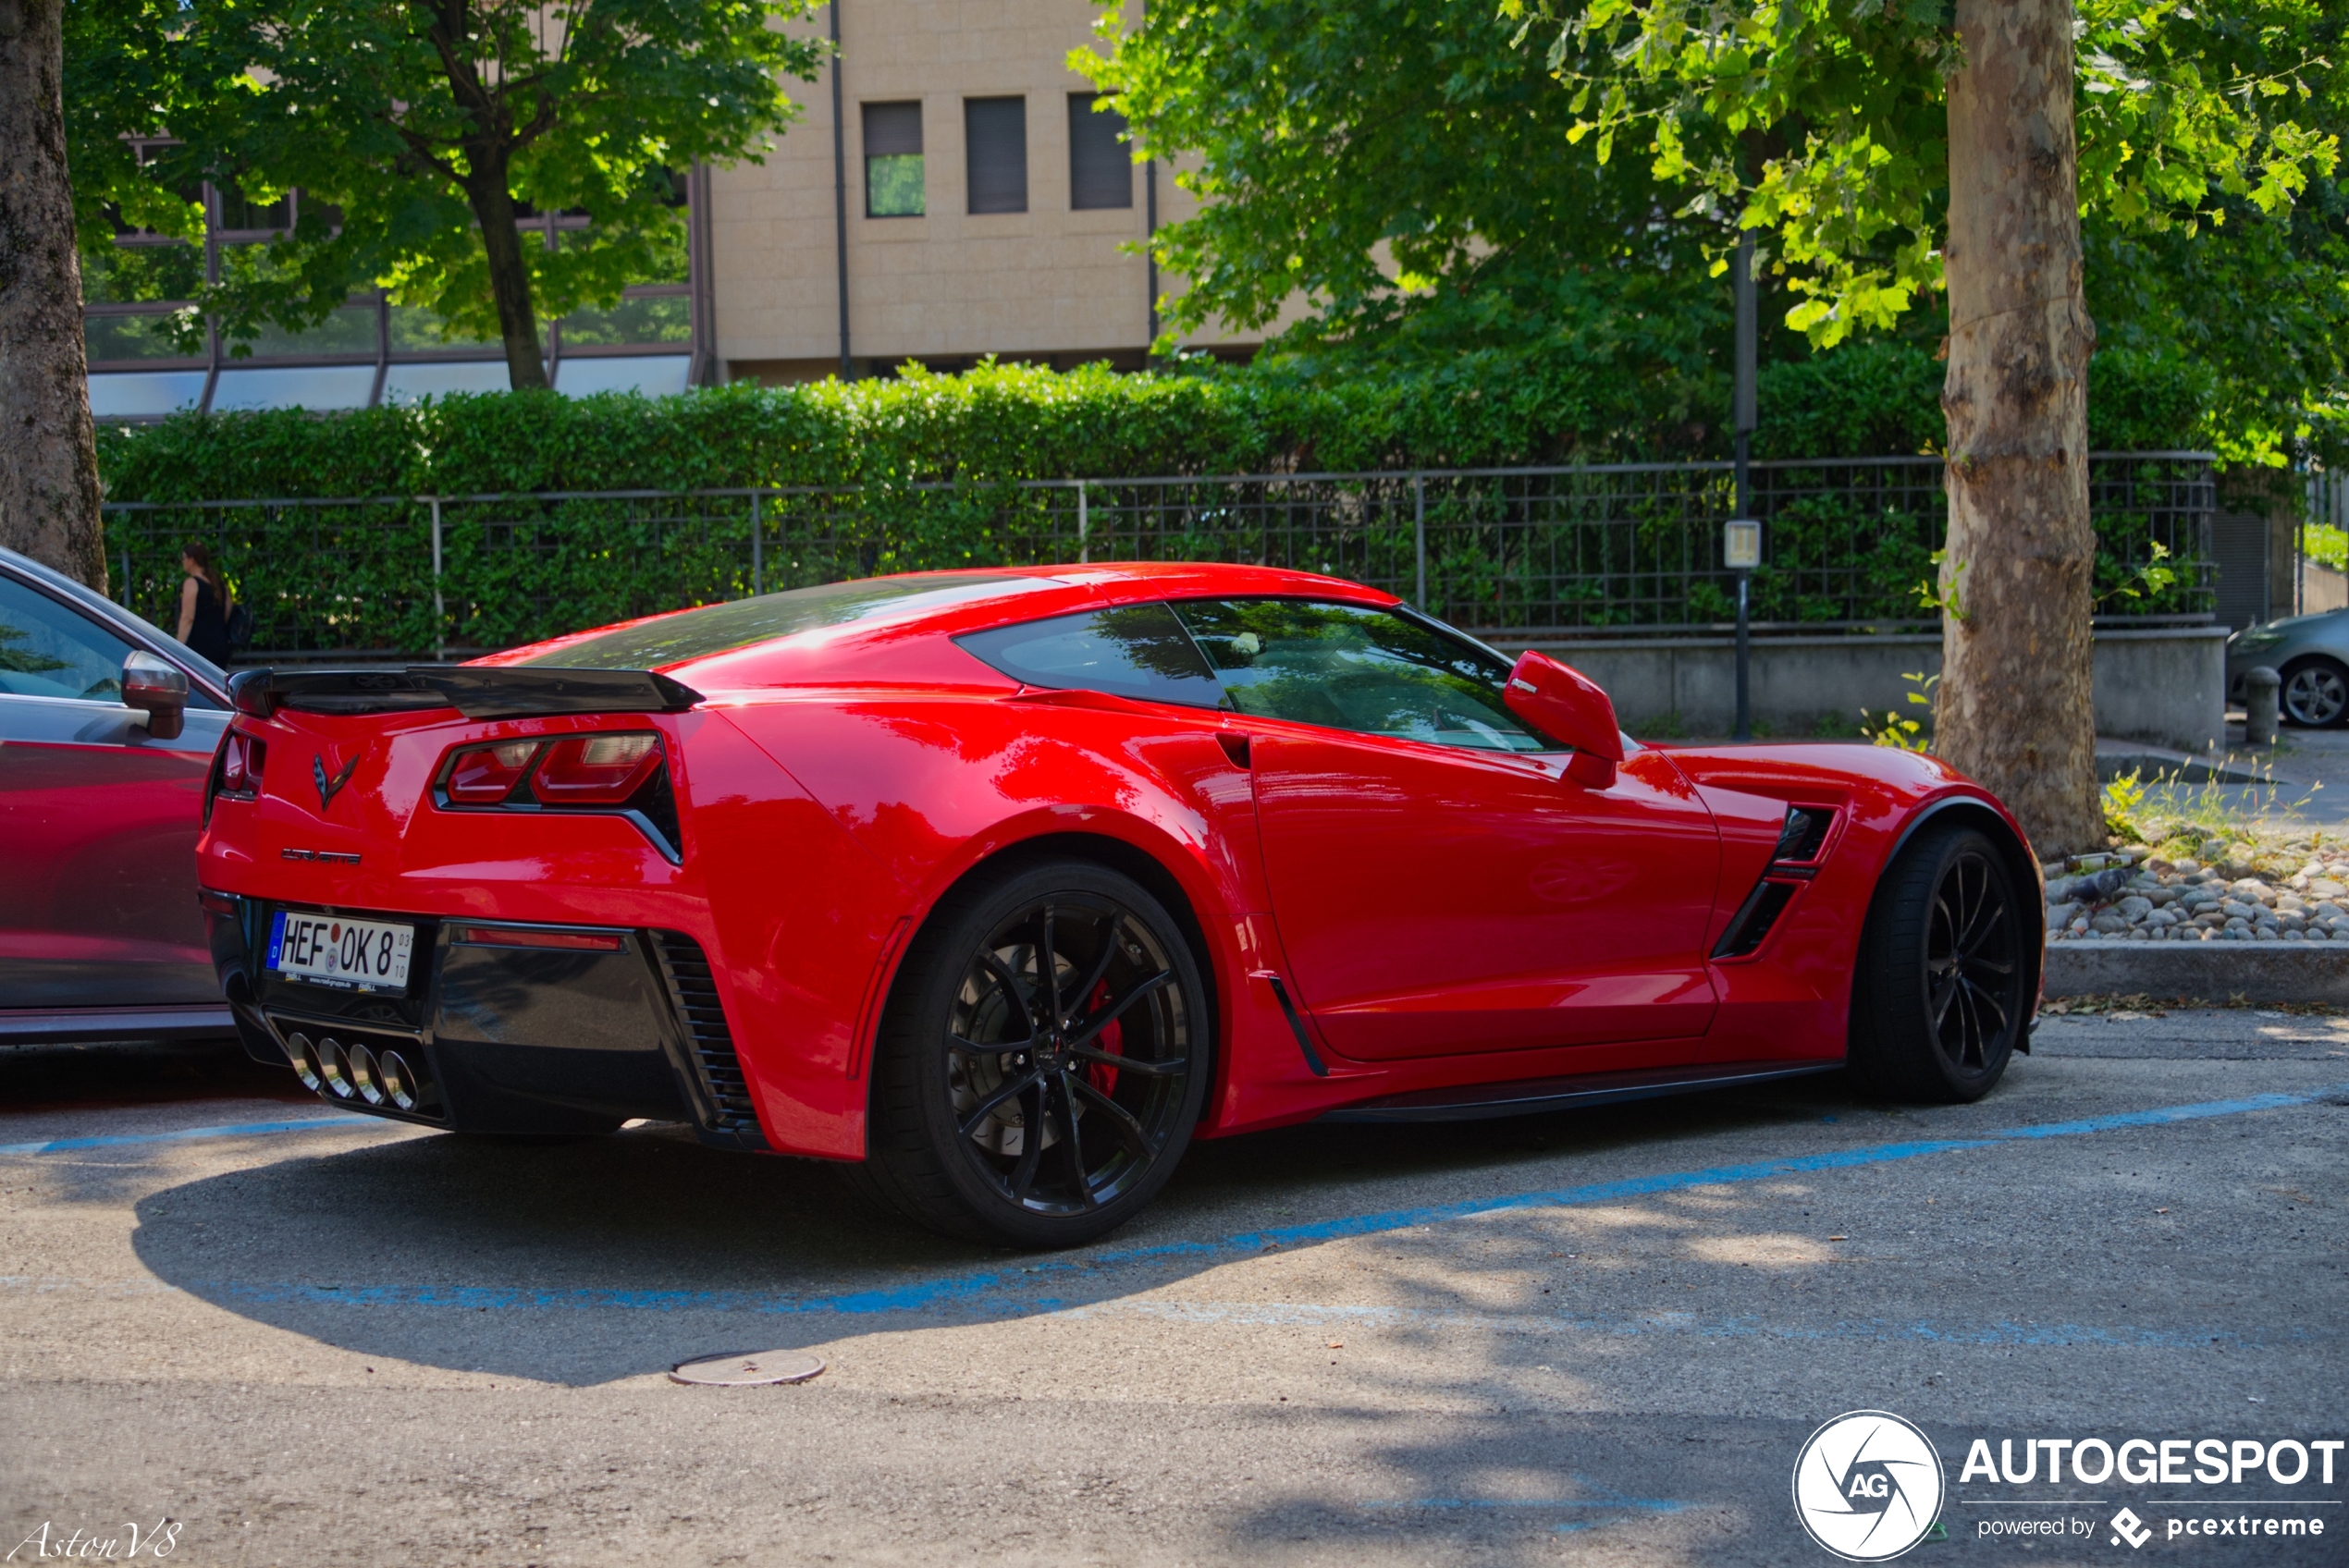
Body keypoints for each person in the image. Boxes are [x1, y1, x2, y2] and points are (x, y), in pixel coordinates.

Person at [176, 544, 233, 665]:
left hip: (199, 646)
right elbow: (228, 607)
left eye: (183, 558)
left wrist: (178, 647)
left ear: (192, 561)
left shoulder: (191, 583)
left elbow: (188, 618)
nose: (182, 561)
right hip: (220, 643)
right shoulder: (218, 583)